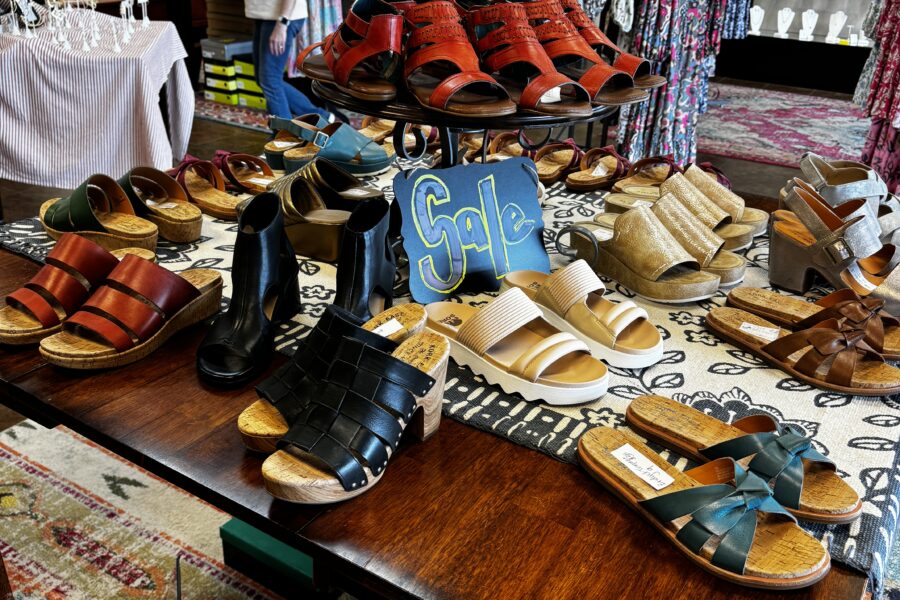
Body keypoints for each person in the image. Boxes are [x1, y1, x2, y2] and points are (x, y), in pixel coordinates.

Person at [245, 0, 331, 120]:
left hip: (281, 19)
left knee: (270, 80)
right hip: (265, 15)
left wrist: (282, 23)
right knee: (264, 79)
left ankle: (285, 135)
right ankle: (320, 116)